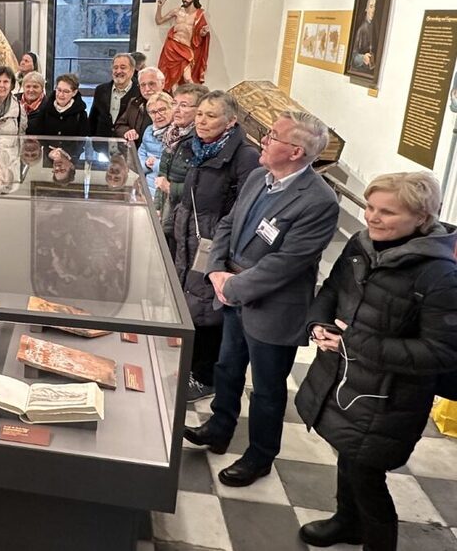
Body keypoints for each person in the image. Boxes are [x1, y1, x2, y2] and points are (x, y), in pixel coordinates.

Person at [294, 172, 457, 551]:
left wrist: (353, 342)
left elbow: (441, 353)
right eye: (369, 207)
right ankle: (346, 522)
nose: (372, 217)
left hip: (388, 398)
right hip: (344, 379)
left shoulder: (440, 275)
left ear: (421, 217)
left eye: (387, 212)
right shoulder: (361, 244)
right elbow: (332, 289)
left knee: (366, 477)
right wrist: (317, 323)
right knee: (347, 455)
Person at [183, 111, 339, 488]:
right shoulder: (258, 177)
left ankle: (260, 456)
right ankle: (219, 427)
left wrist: (231, 287)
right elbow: (227, 225)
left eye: (272, 136)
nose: (263, 141)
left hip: (273, 308)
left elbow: (285, 264)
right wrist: (215, 270)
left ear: (296, 151)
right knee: (226, 368)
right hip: (232, 291)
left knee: (268, 389)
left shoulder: (319, 201)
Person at [170, 92, 259, 402]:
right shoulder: (197, 147)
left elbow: (243, 209)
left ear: (230, 121)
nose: (202, 120)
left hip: (215, 242)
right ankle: (191, 367)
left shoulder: (245, 156)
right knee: (193, 302)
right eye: (200, 114)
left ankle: (206, 377)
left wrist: (222, 246)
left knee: (210, 309)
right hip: (191, 237)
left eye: (211, 115)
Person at [155, 83, 209, 235]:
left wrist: (170, 188)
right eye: (174, 103)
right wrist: (157, 207)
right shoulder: (172, 133)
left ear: (199, 110)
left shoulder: (202, 140)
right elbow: (162, 175)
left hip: (187, 218)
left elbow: (203, 187)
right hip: (168, 210)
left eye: (183, 105)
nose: (176, 110)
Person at [156, 0, 211, 91]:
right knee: (173, 80)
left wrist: (203, 33)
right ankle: (174, 99)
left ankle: (197, 96)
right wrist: (159, 7)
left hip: (185, 49)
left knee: (188, 78)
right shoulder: (177, 11)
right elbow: (159, 21)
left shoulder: (198, 15)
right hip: (172, 46)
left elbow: (199, 34)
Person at [27, 73, 88, 154]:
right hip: (48, 155)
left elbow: (81, 142)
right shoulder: (45, 108)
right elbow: (38, 135)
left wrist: (66, 155)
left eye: (66, 91)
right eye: (59, 90)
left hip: (70, 157)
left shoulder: (81, 114)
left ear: (74, 92)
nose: (61, 94)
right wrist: (50, 152)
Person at [89, 52, 142, 138]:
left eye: (123, 67)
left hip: (127, 142)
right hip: (102, 142)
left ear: (132, 70)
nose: (118, 71)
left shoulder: (139, 92)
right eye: (115, 67)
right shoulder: (101, 90)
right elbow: (93, 119)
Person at [136, 91, 174, 194]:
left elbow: (177, 167)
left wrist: (155, 164)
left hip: (169, 191)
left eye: (162, 110)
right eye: (153, 112)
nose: (158, 116)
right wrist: (146, 164)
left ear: (172, 108)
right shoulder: (148, 131)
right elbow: (138, 161)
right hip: (148, 190)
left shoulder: (179, 132)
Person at [117, 66, 166, 140]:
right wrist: (127, 131)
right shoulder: (134, 103)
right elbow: (119, 125)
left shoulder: (173, 105)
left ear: (162, 83)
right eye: (143, 85)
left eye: (151, 84)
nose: (147, 89)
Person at [348, 0, 378, 73]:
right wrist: (362, 58)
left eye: (374, 7)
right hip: (361, 71)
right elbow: (352, 57)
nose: (373, 10)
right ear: (366, 9)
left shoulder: (374, 27)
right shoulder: (361, 30)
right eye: (371, 6)